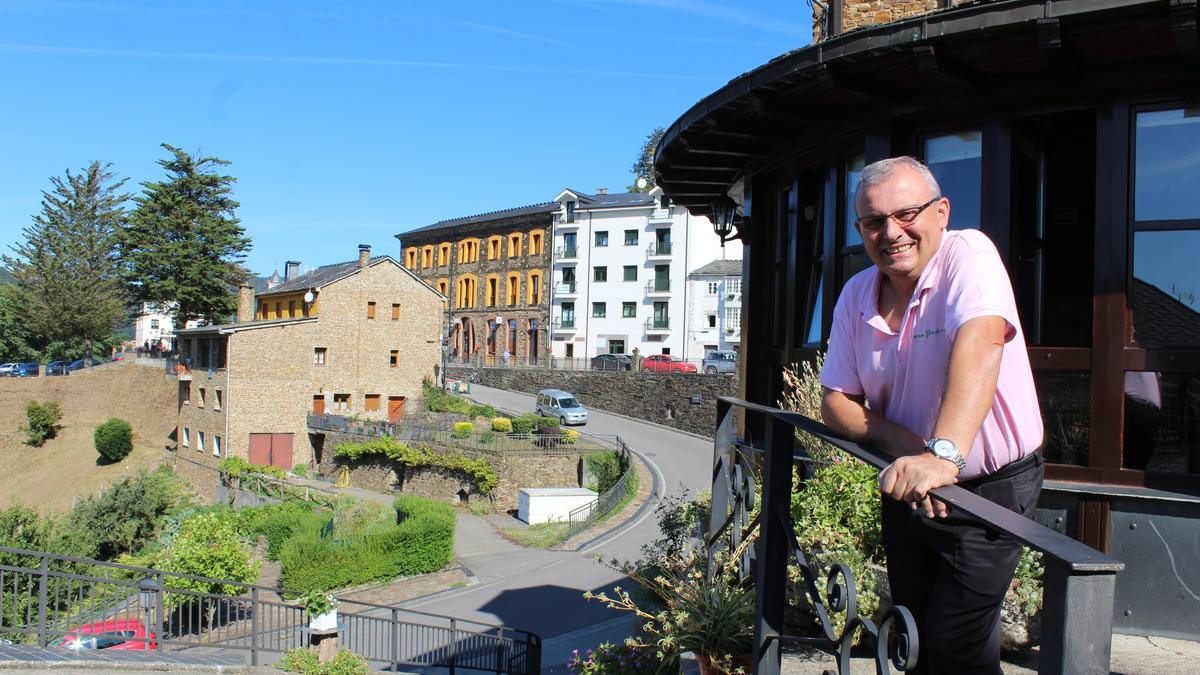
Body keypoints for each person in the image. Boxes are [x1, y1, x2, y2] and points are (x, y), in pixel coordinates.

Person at [819, 156, 1044, 674]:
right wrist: (910, 448)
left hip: (990, 485)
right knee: (914, 634)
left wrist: (943, 454)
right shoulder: (856, 294)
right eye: (874, 222)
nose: (891, 232)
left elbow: (983, 340)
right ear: (861, 230)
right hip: (909, 480)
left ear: (941, 212)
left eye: (906, 214)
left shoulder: (969, 254)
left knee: (954, 645)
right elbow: (835, 400)